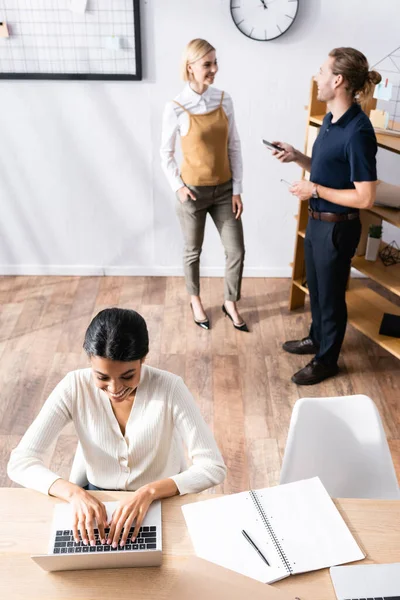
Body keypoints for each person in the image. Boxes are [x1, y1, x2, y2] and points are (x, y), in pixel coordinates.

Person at [7, 308, 226, 548]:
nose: (114, 388)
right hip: (94, 500)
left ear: (143, 359)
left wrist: (149, 492)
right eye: (102, 377)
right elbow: (21, 462)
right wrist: (74, 494)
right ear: (89, 360)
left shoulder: (170, 388)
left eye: (128, 376)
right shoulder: (73, 386)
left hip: (160, 501)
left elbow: (213, 467)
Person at [270, 47, 381, 385]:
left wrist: (314, 191)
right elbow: (329, 169)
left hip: (338, 228)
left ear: (338, 79)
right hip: (318, 221)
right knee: (316, 289)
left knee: (331, 297)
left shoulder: (358, 131)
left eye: (321, 71)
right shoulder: (331, 120)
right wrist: (299, 157)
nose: (317, 78)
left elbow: (365, 196)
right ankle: (316, 339)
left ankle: (327, 360)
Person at [161, 38, 248, 332]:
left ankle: (230, 302)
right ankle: (195, 299)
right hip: (192, 194)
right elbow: (165, 153)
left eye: (215, 62)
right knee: (192, 251)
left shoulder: (224, 100)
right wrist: (178, 187)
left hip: (224, 192)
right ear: (190, 67)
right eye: (207, 64)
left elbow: (234, 146)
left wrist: (237, 189)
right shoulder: (175, 107)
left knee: (236, 250)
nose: (214, 69)